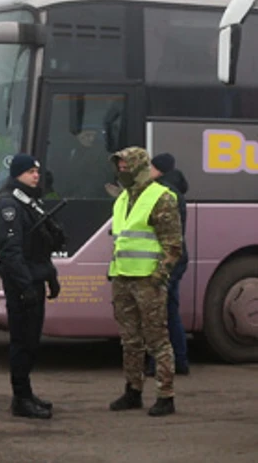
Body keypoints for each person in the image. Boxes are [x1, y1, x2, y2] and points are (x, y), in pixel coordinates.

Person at [107, 147, 182, 417]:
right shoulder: (122, 199)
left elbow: (173, 245)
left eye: (126, 167)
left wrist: (160, 275)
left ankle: (165, 395)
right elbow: (121, 240)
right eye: (119, 167)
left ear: (140, 167)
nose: (121, 171)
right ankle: (133, 391)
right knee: (130, 340)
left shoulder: (161, 197)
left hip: (148, 280)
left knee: (157, 339)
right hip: (123, 277)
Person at [0, 154, 65, 419]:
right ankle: (20, 398)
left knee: (32, 342)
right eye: (30, 171)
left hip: (33, 278)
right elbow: (11, 251)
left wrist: (50, 275)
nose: (36, 175)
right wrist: (25, 286)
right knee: (22, 342)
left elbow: (40, 247)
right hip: (21, 282)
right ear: (17, 174)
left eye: (37, 170)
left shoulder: (30, 202)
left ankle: (26, 393)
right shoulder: (9, 205)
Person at [145, 153, 190, 376]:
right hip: (175, 259)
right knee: (170, 312)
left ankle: (158, 364)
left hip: (166, 261)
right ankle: (180, 360)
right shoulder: (175, 191)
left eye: (151, 167)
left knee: (158, 315)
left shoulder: (163, 193)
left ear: (159, 170)